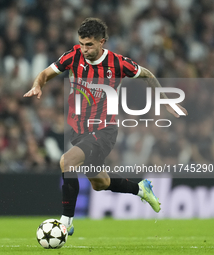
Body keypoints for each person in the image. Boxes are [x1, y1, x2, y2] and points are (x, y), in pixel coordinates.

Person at [24, 18, 188, 235]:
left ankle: (66, 223)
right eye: (82, 43)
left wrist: (165, 100)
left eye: (89, 44)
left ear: (102, 42)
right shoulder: (73, 56)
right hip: (78, 130)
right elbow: (45, 74)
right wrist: (37, 85)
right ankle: (141, 189)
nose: (84, 49)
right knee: (100, 183)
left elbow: (147, 74)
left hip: (104, 130)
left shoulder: (118, 63)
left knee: (67, 161)